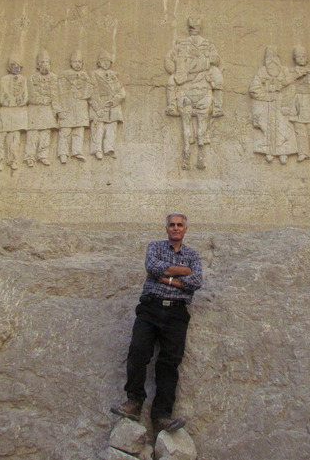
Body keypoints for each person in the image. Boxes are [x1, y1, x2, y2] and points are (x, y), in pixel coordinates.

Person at [111, 213, 203, 434]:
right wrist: (181, 274)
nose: (175, 228)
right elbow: (152, 267)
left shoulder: (192, 254)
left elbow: (197, 280)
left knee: (169, 363)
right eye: (172, 225)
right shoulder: (154, 248)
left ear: (186, 229)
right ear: (166, 228)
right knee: (137, 351)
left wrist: (167, 275)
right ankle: (134, 402)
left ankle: (161, 415)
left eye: (180, 225)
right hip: (150, 308)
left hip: (177, 312)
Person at [164, 17, 224, 170]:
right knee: (170, 81)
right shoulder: (181, 43)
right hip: (186, 79)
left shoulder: (207, 44)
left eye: (196, 27)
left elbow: (216, 59)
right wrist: (177, 72)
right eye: (192, 27)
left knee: (217, 77)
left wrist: (206, 60)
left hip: (203, 75)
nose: (194, 29)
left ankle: (218, 106)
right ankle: (171, 106)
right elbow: (168, 59)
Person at [248, 46, 297, 164]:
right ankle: (269, 151)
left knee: (284, 128)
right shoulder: (262, 71)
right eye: (269, 55)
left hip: (281, 104)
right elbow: (253, 89)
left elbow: (292, 87)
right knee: (267, 127)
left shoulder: (284, 71)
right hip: (267, 104)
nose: (272, 58)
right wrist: (266, 96)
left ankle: (284, 152)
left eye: (274, 55)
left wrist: (287, 103)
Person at [57, 51, 94, 163]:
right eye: (75, 62)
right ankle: (63, 153)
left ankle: (77, 151)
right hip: (67, 105)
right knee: (65, 131)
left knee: (79, 130)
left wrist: (82, 94)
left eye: (79, 62)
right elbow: (59, 91)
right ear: (70, 63)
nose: (77, 64)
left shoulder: (84, 76)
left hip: (80, 106)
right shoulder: (64, 75)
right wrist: (60, 109)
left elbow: (90, 90)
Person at [24, 50, 59, 167]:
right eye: (42, 62)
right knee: (33, 133)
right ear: (38, 65)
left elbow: (55, 94)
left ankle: (43, 155)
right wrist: (41, 99)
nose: (45, 64)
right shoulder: (32, 78)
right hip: (35, 108)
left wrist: (56, 110)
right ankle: (30, 156)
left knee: (45, 132)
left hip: (48, 109)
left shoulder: (54, 77)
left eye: (47, 62)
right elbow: (30, 94)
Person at [90, 50, 126, 159]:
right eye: (103, 61)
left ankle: (109, 148)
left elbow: (121, 91)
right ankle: (97, 149)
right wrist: (97, 107)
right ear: (98, 62)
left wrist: (115, 100)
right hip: (100, 103)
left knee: (111, 128)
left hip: (113, 105)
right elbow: (92, 92)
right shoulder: (94, 74)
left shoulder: (114, 76)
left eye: (108, 61)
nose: (106, 63)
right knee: (99, 127)